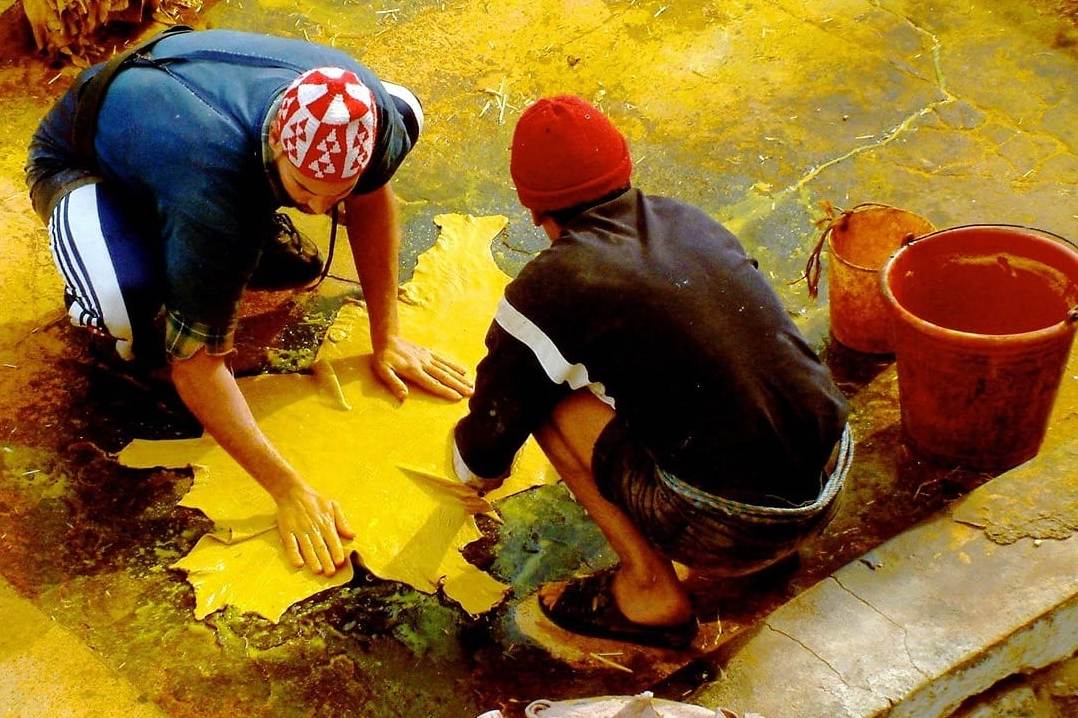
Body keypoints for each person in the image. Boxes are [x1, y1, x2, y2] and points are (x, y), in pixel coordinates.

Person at [25, 28, 474, 578]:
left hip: (188, 118)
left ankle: (218, 234)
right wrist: (288, 490)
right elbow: (195, 367)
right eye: (303, 189)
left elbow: (371, 196)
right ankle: (126, 259)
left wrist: (389, 337)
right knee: (128, 307)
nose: (319, 207)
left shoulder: (370, 112)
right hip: (85, 155)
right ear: (278, 146)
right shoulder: (213, 184)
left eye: (335, 195)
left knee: (391, 123)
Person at [451, 96, 852, 648]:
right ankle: (766, 554)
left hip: (737, 528)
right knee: (701, 373)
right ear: (625, 169)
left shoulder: (551, 286)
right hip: (829, 476)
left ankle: (647, 589)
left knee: (546, 399)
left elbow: (488, 440)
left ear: (532, 209)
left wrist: (473, 474)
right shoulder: (690, 221)